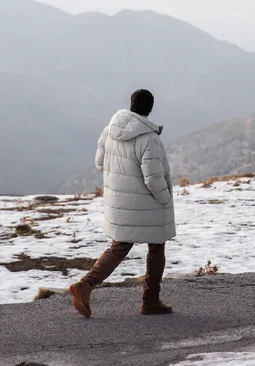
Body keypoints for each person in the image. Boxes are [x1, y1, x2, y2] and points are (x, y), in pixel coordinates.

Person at [69, 89, 176, 318]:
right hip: (147, 204)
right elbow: (154, 179)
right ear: (150, 108)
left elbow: (100, 163)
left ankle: (86, 284)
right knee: (156, 247)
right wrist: (166, 200)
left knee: (119, 247)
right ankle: (150, 301)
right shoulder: (149, 139)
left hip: (119, 203)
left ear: (131, 104)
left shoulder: (109, 131)